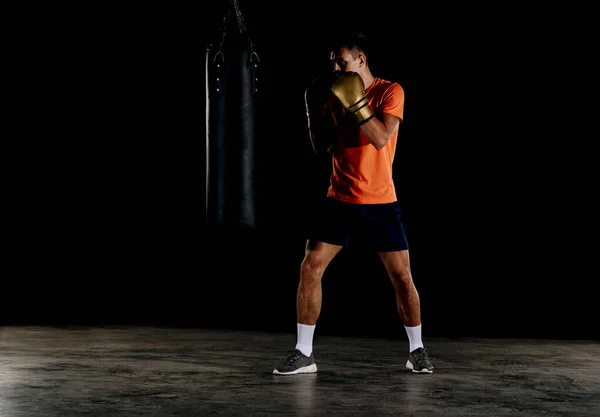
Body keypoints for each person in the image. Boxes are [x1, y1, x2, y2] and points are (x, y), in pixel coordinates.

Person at [272, 31, 433, 375]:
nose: (335, 67)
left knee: (403, 277)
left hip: (380, 201)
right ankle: (304, 353)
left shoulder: (391, 91)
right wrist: (315, 114)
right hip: (339, 198)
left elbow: (379, 138)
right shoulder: (333, 95)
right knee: (310, 267)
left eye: (341, 60)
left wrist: (356, 103)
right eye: (332, 61)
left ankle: (417, 350)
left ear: (361, 60)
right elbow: (322, 149)